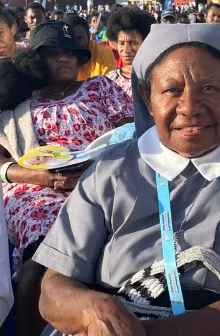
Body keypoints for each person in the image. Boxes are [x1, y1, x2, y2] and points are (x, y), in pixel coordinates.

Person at [33, 24, 220, 336]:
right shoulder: (108, 170)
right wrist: (92, 309)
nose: (189, 107)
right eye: (172, 90)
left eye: (209, 89)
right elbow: (53, 290)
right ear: (148, 98)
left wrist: (147, 334)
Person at [0, 21, 134, 336]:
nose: (65, 59)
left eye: (72, 53)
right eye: (53, 53)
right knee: (46, 250)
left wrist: (96, 172)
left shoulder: (102, 87)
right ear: (33, 61)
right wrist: (38, 176)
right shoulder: (18, 102)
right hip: (35, 189)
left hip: (103, 178)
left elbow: (131, 132)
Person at [104, 7, 154, 97]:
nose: (126, 50)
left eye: (132, 43)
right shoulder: (109, 80)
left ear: (145, 42)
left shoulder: (156, 77)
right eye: (121, 43)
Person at [62, 15, 116, 81]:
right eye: (70, 40)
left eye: (79, 39)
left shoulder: (104, 55)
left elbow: (108, 87)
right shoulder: (58, 56)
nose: (74, 44)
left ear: (88, 36)